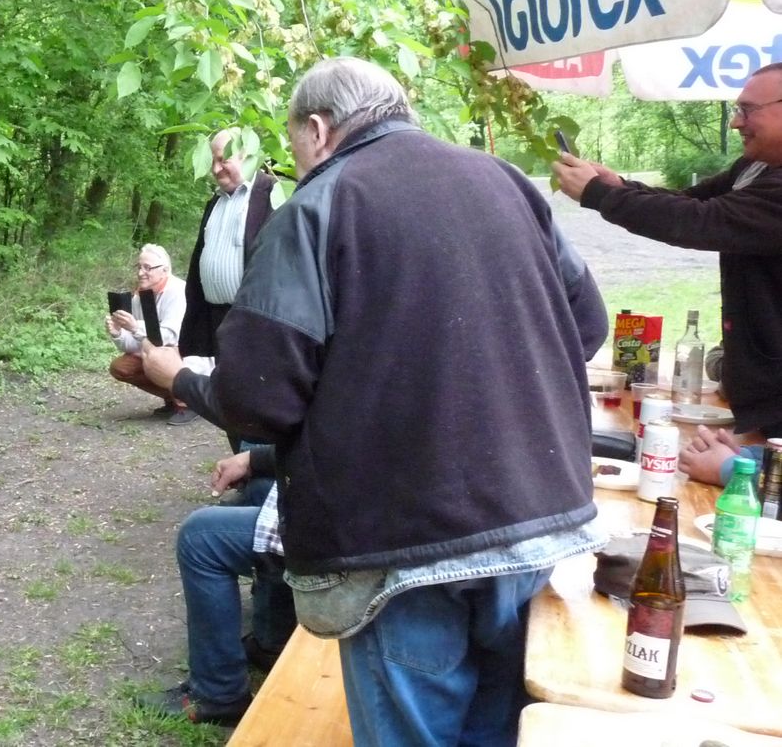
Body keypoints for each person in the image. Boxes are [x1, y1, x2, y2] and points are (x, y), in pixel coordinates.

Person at [141, 57, 609, 744]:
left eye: (294, 142)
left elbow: (257, 399)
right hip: (536, 525)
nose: (296, 161)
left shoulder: (317, 207)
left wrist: (178, 379)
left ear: (318, 128)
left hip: (403, 546)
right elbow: (588, 327)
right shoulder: (504, 180)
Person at [552, 62, 782, 450]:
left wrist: (598, 195)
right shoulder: (756, 167)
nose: (735, 122)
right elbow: (689, 201)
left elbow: (702, 221)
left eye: (747, 110)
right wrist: (618, 186)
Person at [139, 447, 296, 726]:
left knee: (201, 537)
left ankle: (219, 695)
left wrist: (253, 456)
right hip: (361, 504)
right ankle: (271, 643)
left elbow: (323, 446)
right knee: (261, 486)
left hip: (354, 538)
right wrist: (253, 460)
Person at [177, 128, 278, 440]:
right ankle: (242, 458)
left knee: (256, 400)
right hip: (218, 319)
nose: (216, 168)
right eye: (212, 161)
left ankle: (259, 463)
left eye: (223, 160)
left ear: (246, 155)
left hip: (255, 321)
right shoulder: (215, 202)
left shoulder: (273, 194)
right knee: (229, 400)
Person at [106, 244, 193, 422]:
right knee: (121, 367)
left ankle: (189, 402)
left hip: (186, 353)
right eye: (139, 267)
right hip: (157, 352)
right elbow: (136, 342)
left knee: (157, 357)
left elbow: (170, 336)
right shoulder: (140, 296)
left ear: (164, 270)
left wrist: (135, 326)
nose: (140, 273)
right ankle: (172, 399)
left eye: (147, 268)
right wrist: (118, 333)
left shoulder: (178, 292)